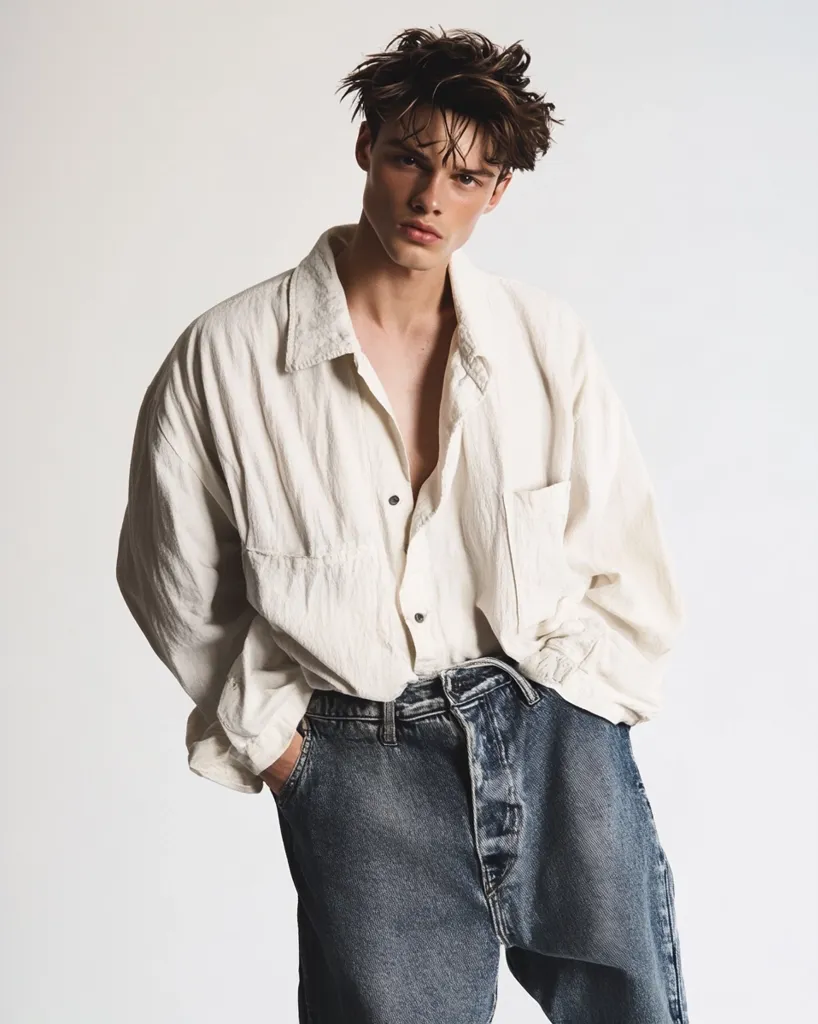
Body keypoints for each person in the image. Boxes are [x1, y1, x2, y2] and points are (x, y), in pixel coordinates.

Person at [115, 25, 690, 1024]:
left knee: (633, 1008)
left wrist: (591, 711)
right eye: (409, 159)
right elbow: (169, 577)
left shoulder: (544, 345)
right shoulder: (231, 358)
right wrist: (283, 747)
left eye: (467, 177)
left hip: (553, 732)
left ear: (498, 191)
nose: (431, 198)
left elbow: (620, 547)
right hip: (358, 758)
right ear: (366, 148)